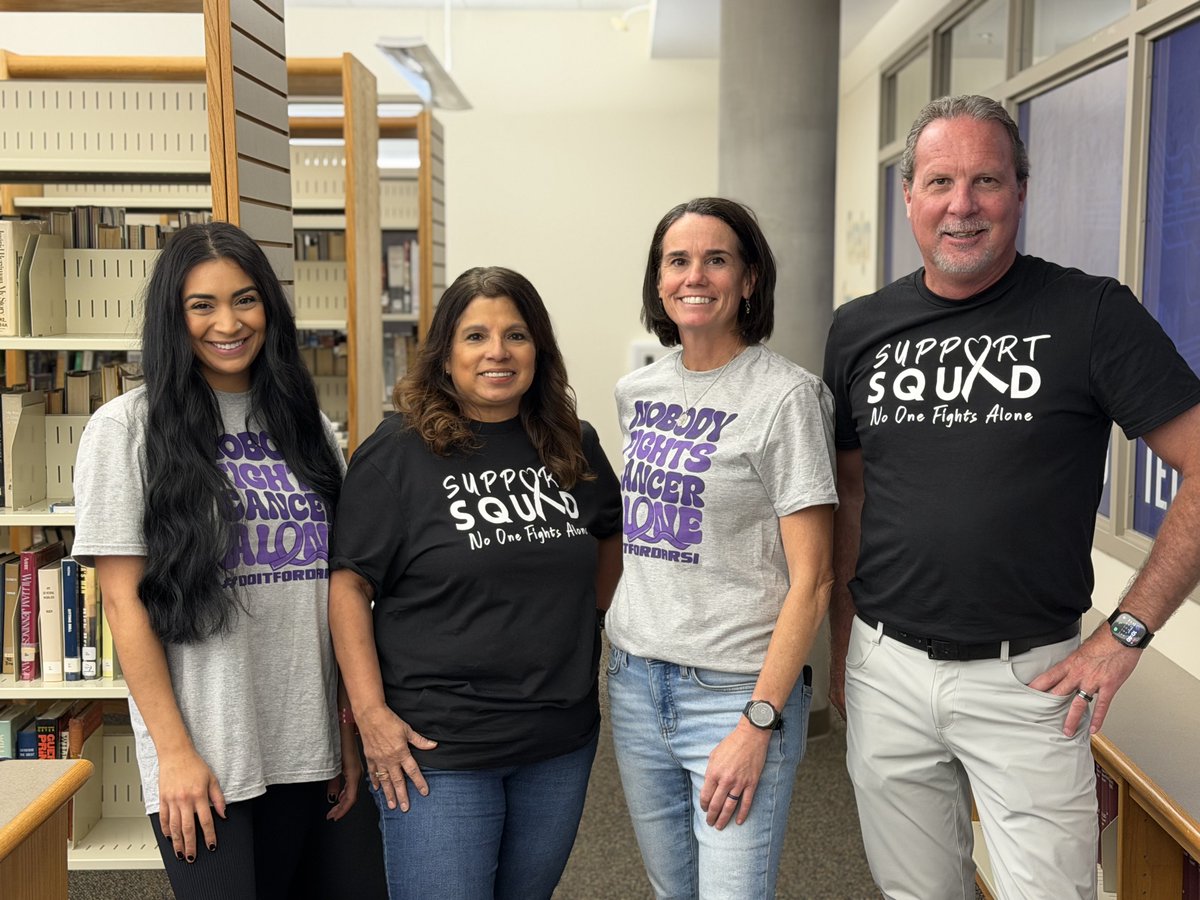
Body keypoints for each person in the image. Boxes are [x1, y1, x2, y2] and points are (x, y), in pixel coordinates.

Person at [823, 94, 1200, 900]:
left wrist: (1127, 631)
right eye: (941, 181)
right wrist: (844, 641)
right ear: (910, 196)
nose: (962, 205)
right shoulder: (858, 328)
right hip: (886, 665)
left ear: (1021, 191)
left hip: (1031, 678)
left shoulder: (1090, 313)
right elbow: (851, 495)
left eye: (986, 180)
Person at [72, 221, 386, 899]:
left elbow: (335, 589)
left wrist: (346, 725)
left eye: (245, 300)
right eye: (202, 305)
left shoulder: (307, 427)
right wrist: (175, 754)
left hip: (311, 746)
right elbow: (125, 605)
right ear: (173, 317)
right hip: (208, 755)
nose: (228, 323)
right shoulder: (127, 429)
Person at [328, 265, 622, 900]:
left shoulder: (574, 444)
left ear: (538, 349)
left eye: (516, 335)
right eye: (475, 336)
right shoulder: (398, 452)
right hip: (438, 746)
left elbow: (608, 539)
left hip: (557, 741)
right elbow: (349, 587)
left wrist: (569, 623)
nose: (497, 352)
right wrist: (371, 716)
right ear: (445, 354)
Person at [606, 197, 837, 899]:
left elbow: (815, 580)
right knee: (671, 889)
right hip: (637, 683)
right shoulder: (636, 391)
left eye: (716, 259)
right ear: (658, 281)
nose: (694, 276)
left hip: (735, 690)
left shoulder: (787, 398)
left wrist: (759, 718)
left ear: (749, 281)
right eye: (677, 261)